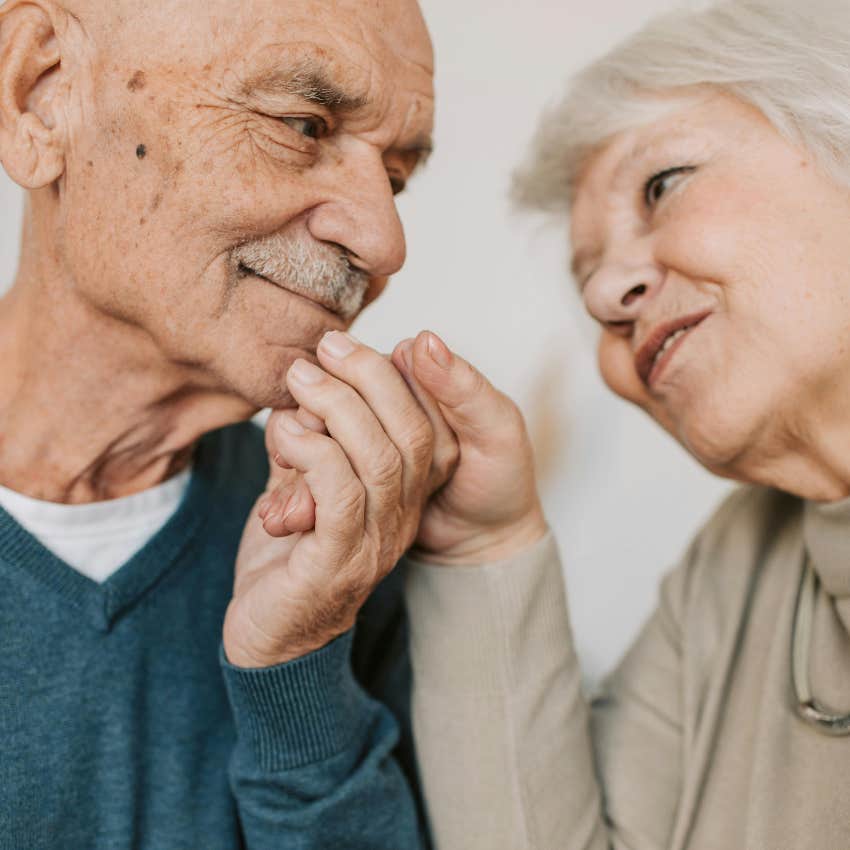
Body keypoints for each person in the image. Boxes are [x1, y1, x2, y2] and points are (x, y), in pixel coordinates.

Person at [0, 0, 549, 846]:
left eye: (396, 179)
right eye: (303, 124)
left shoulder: (341, 552)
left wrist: (300, 671)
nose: (385, 240)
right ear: (41, 95)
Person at [398, 1, 850, 848]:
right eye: (587, 282)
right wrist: (483, 546)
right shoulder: (731, 571)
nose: (608, 296)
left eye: (661, 185)